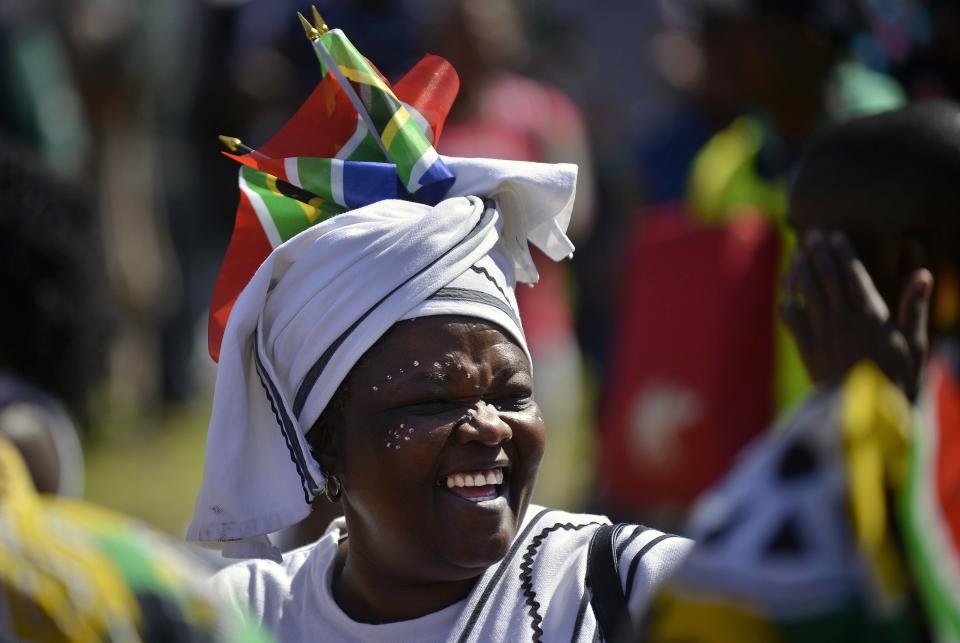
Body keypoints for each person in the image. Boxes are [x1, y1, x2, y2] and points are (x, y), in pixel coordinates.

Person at [188, 18, 690, 641]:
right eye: (432, 400)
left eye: (511, 395)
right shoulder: (240, 618)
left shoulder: (623, 590)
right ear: (322, 444)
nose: (488, 424)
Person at [642, 101, 960, 642]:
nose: (789, 293)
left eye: (807, 250)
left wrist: (867, 414)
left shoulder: (833, 468)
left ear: (907, 267)